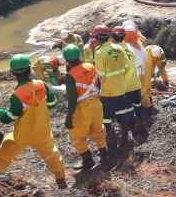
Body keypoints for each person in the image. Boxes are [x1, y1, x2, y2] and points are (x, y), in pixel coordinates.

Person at [0, 54, 67, 189]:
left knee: (3, 154)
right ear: (30, 70)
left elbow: (9, 118)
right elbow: (52, 103)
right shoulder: (41, 85)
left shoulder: (17, 95)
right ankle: (61, 182)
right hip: (43, 132)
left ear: (12, 73)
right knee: (52, 156)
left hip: (22, 134)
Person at [62, 44, 110, 171]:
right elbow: (99, 84)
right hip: (96, 104)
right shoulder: (90, 66)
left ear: (66, 59)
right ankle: (104, 155)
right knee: (98, 130)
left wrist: (69, 117)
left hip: (82, 108)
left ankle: (87, 160)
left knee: (77, 135)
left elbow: (72, 101)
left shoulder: (70, 75)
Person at [93, 25, 133, 154]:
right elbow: (127, 68)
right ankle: (125, 140)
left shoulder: (99, 52)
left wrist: (98, 91)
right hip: (121, 89)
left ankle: (111, 145)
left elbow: (101, 76)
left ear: (98, 38)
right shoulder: (119, 48)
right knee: (122, 115)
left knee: (106, 120)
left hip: (107, 92)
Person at [112, 26, 147, 144]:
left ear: (113, 37)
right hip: (135, 83)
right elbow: (138, 63)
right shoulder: (130, 48)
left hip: (125, 86)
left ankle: (129, 134)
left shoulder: (115, 51)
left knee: (126, 110)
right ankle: (142, 128)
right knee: (137, 106)